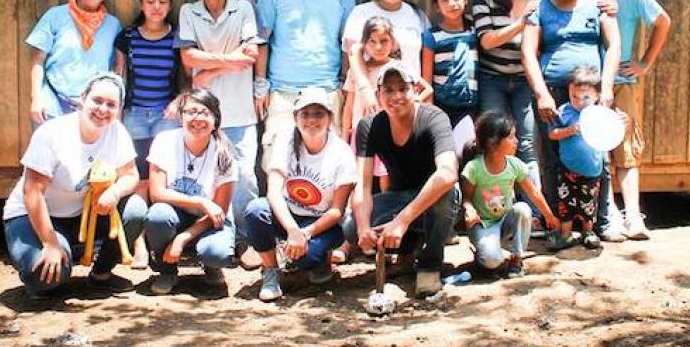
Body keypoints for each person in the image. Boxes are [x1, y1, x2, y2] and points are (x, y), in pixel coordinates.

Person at [3, 73, 146, 299]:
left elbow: (131, 175)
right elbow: (32, 192)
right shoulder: (52, 133)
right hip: (34, 214)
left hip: (82, 214)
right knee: (46, 275)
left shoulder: (117, 131)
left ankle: (101, 274)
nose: (103, 109)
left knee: (136, 209)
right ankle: (53, 258)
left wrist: (115, 192)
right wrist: (50, 244)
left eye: (111, 104)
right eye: (97, 101)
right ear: (82, 98)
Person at [520, 0, 621, 248]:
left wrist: (607, 86)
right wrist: (541, 94)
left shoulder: (600, 5)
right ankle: (556, 226)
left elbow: (614, 45)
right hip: (553, 92)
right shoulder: (539, 9)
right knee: (553, 160)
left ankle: (600, 222)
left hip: (592, 93)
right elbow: (527, 51)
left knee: (597, 155)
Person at [581, 0, 671, 241]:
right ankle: (610, 215)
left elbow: (663, 21)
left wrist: (645, 62)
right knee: (596, 152)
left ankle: (633, 215)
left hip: (622, 82)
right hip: (586, 86)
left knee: (626, 150)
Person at [342, 64, 460, 298]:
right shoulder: (369, 125)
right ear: (378, 95)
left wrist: (403, 220)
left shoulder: (434, 118)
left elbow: (447, 173)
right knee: (351, 227)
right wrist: (365, 226)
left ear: (415, 91)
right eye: (388, 90)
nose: (396, 96)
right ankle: (406, 251)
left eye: (402, 89)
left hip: (432, 197)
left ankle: (430, 263)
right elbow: (363, 185)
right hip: (398, 197)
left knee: (446, 194)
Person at [176, 0, 263, 268]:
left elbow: (251, 53)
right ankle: (213, 239)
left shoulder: (243, 9)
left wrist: (207, 70)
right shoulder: (189, 12)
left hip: (240, 111)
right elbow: (187, 59)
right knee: (203, 179)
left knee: (245, 180)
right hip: (202, 116)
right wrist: (230, 59)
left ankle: (247, 241)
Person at [255, 0, 356, 167]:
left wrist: (346, 82)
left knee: (328, 161)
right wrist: (261, 83)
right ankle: (278, 204)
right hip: (283, 90)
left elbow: (348, 42)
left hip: (327, 89)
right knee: (276, 158)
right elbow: (261, 40)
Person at [244, 88, 357, 302]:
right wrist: (293, 230)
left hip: (323, 222)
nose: (312, 120)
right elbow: (273, 191)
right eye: (305, 114)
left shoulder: (341, 153)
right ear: (295, 118)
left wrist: (306, 233)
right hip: (289, 214)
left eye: (319, 114)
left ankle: (319, 259)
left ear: (330, 118)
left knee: (307, 258)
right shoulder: (286, 141)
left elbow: (337, 210)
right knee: (255, 211)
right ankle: (271, 270)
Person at [471, 0, 550, 232]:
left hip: (525, 80)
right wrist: (521, 23)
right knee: (493, 142)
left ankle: (533, 215)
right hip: (492, 78)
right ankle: (492, 211)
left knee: (526, 144)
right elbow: (487, 41)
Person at [114, 0, 186, 269]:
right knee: (138, 180)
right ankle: (138, 241)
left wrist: (177, 102)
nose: (156, 7)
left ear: (169, 5)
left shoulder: (177, 36)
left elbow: (186, 79)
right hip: (134, 116)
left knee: (162, 181)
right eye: (150, 1)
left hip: (165, 116)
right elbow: (119, 77)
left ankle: (162, 239)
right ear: (141, 3)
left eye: (163, 2)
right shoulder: (128, 37)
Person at [144, 89, 236, 295]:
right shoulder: (164, 140)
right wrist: (200, 202)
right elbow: (156, 193)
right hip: (175, 214)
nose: (197, 119)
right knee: (158, 214)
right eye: (191, 112)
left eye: (205, 113)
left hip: (211, 221)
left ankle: (212, 268)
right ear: (181, 116)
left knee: (216, 253)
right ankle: (166, 270)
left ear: (215, 119)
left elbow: (219, 210)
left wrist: (182, 238)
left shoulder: (225, 153)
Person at [462, 111, 558, 277]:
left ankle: (517, 258)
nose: (516, 141)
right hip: (483, 225)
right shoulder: (474, 168)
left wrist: (549, 216)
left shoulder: (515, 165)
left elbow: (534, 192)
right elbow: (466, 198)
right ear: (493, 144)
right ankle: (483, 255)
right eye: (511, 137)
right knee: (492, 261)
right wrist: (469, 209)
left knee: (522, 209)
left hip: (505, 221)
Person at [27, 0, 121, 124]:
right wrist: (36, 98)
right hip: (53, 104)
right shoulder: (55, 16)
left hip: (94, 110)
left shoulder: (113, 24)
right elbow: (37, 60)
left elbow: (116, 69)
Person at [344, 0, 429, 116]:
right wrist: (365, 90)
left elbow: (426, 58)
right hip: (371, 102)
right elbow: (353, 53)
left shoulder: (416, 15)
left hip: (407, 102)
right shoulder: (361, 13)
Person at [546, 66, 608, 250]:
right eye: (574, 96)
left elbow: (611, 133)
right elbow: (552, 134)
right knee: (566, 203)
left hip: (592, 168)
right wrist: (571, 130)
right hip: (567, 168)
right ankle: (565, 235)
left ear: (597, 95)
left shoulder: (600, 114)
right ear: (568, 93)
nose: (579, 101)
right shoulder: (564, 111)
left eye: (586, 97)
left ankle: (588, 232)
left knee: (589, 203)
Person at [422, 0, 479, 160]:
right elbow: (426, 78)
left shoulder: (475, 32)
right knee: (443, 156)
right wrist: (429, 114)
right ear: (437, 6)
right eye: (444, 0)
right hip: (442, 107)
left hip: (469, 107)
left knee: (467, 151)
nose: (451, 3)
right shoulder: (432, 37)